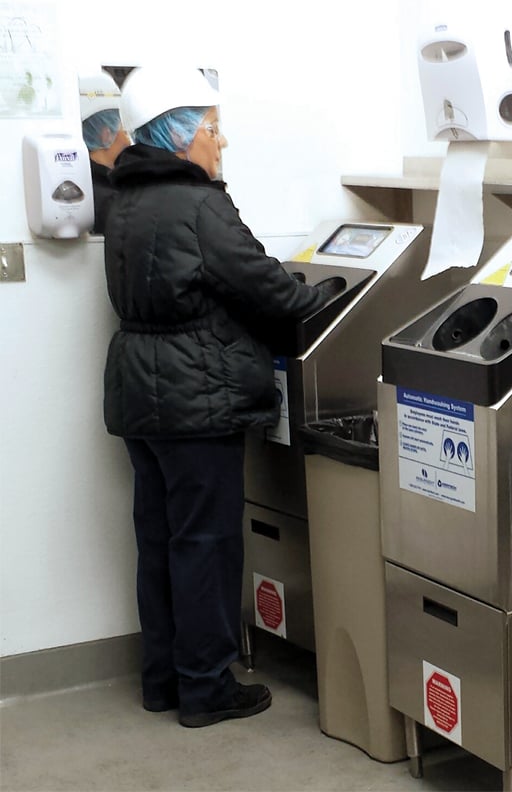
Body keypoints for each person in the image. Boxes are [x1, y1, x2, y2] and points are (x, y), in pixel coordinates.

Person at [102, 65, 330, 728]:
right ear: (179, 134)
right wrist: (325, 300)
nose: (220, 142)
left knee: (161, 540)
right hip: (195, 399)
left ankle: (164, 679)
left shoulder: (126, 201)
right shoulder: (199, 203)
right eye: (211, 128)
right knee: (206, 542)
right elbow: (265, 286)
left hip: (139, 398)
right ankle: (206, 688)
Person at [78, 68, 130, 234]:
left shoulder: (82, 184)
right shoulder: (110, 200)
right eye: (126, 130)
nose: (129, 141)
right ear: (106, 134)